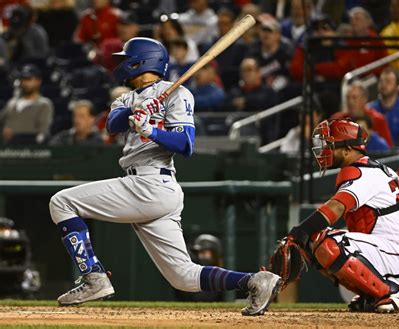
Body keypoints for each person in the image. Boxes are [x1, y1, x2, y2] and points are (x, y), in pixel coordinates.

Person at [48, 37, 281, 316]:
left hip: (150, 183)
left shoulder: (178, 94)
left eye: (126, 59)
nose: (121, 64)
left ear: (141, 61)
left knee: (61, 202)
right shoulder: (125, 97)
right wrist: (135, 112)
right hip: (149, 189)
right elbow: (112, 125)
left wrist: (152, 131)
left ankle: (93, 277)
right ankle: (255, 281)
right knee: (182, 277)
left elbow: (185, 146)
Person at [277, 118, 399, 312]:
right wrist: (305, 237)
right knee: (312, 242)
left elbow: (337, 207)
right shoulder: (371, 169)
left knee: (328, 241)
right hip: (388, 252)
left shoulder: (364, 172)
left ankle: (391, 292)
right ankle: (371, 295)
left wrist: (298, 231)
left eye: (330, 145)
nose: (324, 150)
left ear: (348, 150)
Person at [0, 64, 54, 144]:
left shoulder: (44, 104)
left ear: (38, 81)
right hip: (7, 149)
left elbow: (42, 134)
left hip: (29, 149)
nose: (24, 82)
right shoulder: (12, 102)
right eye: (22, 79)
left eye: (28, 79)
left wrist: (15, 136)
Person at [331, 80, 393, 147]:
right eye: (348, 98)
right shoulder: (337, 119)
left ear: (364, 99)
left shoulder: (378, 120)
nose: (350, 102)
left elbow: (388, 149)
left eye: (354, 98)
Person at [368, 67, 399, 146]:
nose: (383, 85)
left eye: (388, 82)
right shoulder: (370, 108)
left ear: (397, 87)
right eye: (381, 81)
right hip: (376, 153)